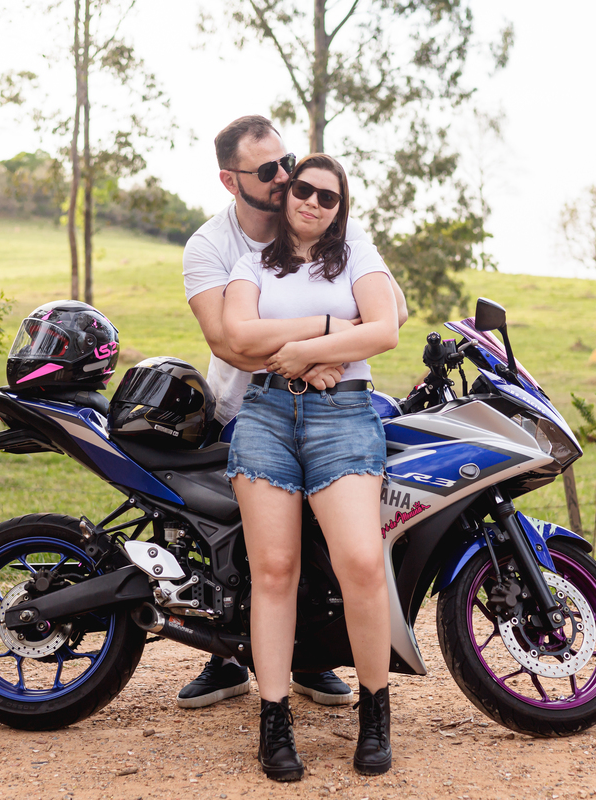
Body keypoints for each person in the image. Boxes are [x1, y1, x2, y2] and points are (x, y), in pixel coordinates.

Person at [179, 115, 407, 709]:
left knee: (327, 551)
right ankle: (226, 659)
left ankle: (311, 661)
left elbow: (390, 319)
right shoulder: (216, 247)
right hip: (243, 401)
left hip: (333, 402)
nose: (286, 180)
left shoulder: (336, 236)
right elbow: (232, 343)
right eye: (270, 172)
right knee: (258, 555)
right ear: (232, 182)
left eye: (289, 163)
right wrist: (323, 342)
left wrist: (323, 353)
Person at [223, 153, 398, 781]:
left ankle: (375, 710)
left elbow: (383, 331)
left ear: (339, 208)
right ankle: (274, 720)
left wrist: (301, 352)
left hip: (343, 415)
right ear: (287, 192)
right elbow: (238, 335)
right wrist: (322, 334)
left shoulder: (357, 255)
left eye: (329, 197)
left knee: (359, 560)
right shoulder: (251, 264)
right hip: (267, 415)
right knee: (273, 571)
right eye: (304, 190)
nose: (314, 204)